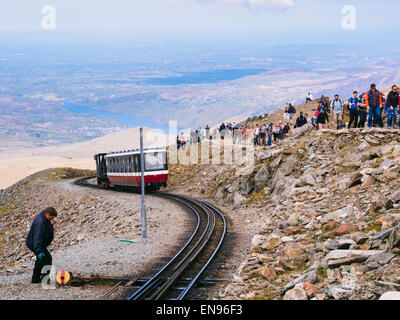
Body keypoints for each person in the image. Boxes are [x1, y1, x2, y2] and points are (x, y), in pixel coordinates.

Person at [26, 207, 57, 284]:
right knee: (46, 258)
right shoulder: (40, 222)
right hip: (35, 244)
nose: (51, 219)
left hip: (39, 244)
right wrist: (38, 251)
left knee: (40, 259)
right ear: (47, 214)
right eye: (51, 217)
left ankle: (35, 279)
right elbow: (37, 237)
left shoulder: (44, 218)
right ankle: (46, 279)